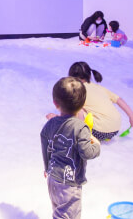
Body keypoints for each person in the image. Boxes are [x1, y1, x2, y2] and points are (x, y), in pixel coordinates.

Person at [41, 77, 101, 219]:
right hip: (69, 184)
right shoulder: (80, 128)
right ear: (82, 105)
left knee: (58, 210)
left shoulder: (51, 123)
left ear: (55, 103)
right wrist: (97, 145)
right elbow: (87, 152)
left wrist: (47, 166)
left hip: (53, 178)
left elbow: (45, 142)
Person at [66, 61, 133, 141]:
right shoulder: (99, 87)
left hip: (100, 131)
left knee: (78, 109)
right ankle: (103, 135)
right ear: (89, 75)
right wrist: (131, 115)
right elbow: (118, 99)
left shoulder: (78, 90)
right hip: (115, 129)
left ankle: (81, 135)